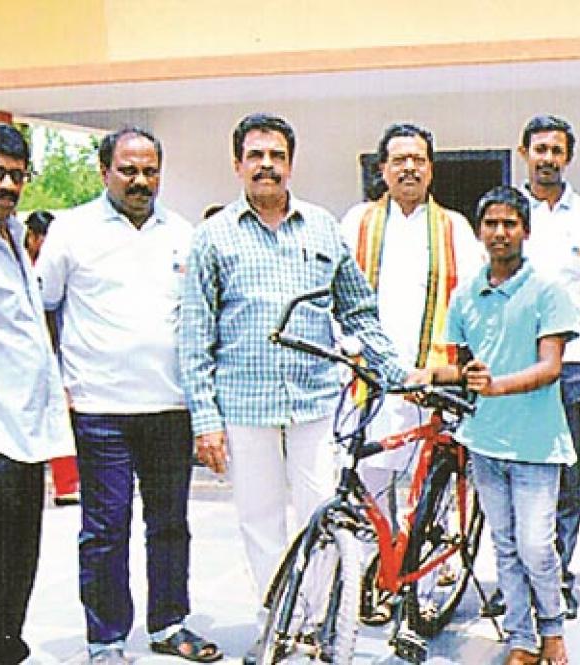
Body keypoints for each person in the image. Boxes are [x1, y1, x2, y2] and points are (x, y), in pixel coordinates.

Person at [179, 113, 420, 662]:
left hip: (315, 401)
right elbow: (195, 335)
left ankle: (314, 625)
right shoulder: (214, 237)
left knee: (323, 515)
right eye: (256, 155)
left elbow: (358, 309)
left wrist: (395, 373)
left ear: (291, 163)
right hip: (244, 404)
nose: (267, 165)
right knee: (260, 522)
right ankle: (278, 621)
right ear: (238, 164)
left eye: (277, 156)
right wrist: (206, 420)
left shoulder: (321, 228)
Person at [37, 128, 220, 664]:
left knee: (169, 526)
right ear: (104, 171)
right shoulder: (71, 231)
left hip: (169, 408)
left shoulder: (183, 234)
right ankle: (106, 640)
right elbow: (44, 308)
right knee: (104, 530)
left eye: (150, 170)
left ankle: (169, 625)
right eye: (129, 170)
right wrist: (60, 386)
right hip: (101, 412)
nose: (141, 180)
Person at [338, 122, 483, 622]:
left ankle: (420, 570)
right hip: (369, 376)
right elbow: (334, 293)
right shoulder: (356, 222)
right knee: (372, 480)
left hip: (430, 378)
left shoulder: (454, 228)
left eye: (418, 159)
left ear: (431, 168)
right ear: (381, 169)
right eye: (398, 159)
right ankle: (377, 576)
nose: (408, 167)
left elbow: (471, 303)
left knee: (425, 484)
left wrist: (453, 370)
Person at [429, 185, 578, 665]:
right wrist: (431, 374)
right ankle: (521, 638)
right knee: (506, 546)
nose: (499, 232)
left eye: (509, 223)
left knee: (537, 546)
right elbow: (467, 369)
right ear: (479, 232)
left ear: (525, 231)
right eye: (490, 223)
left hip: (535, 443)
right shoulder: (466, 294)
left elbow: (551, 366)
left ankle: (552, 629)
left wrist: (498, 387)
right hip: (485, 441)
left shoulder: (548, 290)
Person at [0, 121, 75, 664]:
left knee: (17, 577)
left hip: (24, 438)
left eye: (17, 176)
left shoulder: (8, 234)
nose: (7, 186)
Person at [514, 114, 580, 620]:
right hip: (514, 369)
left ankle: (559, 579)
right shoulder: (505, 214)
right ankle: (518, 582)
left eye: (557, 150)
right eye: (539, 149)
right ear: (523, 153)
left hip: (571, 367)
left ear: (568, 157)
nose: (548, 158)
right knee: (514, 476)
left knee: (565, 479)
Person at [24, 209, 81, 507]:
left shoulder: (57, 266)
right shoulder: (22, 266)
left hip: (55, 352)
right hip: (27, 354)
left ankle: (66, 483)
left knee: (59, 417)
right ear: (32, 237)